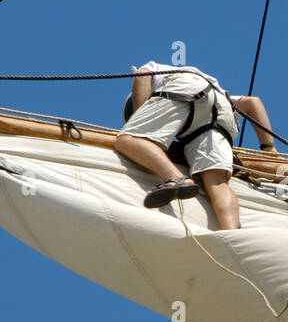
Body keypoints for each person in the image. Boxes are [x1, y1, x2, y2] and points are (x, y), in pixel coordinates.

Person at [114, 61, 275, 231]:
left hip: (184, 88)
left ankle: (177, 178)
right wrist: (269, 148)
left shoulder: (154, 72)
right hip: (220, 110)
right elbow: (252, 102)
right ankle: (231, 231)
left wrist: (141, 123)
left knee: (129, 138)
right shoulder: (216, 90)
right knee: (216, 181)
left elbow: (142, 73)